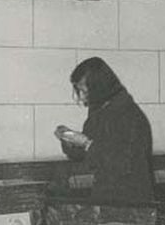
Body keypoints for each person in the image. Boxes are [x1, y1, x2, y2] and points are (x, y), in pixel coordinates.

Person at [54, 57, 155, 204]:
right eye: (79, 91)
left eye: (84, 91)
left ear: (99, 86)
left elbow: (122, 164)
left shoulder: (127, 113)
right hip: (107, 195)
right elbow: (87, 153)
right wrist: (68, 140)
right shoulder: (101, 110)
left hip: (131, 199)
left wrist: (87, 143)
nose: (82, 97)